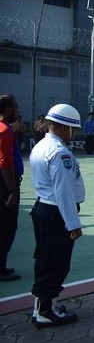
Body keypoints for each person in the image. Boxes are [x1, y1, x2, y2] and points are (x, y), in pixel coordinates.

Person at [29, 104, 85, 327]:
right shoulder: (60, 153)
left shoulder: (41, 145)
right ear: (64, 128)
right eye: (74, 129)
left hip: (43, 208)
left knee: (44, 259)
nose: (75, 133)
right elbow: (64, 193)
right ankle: (45, 312)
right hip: (56, 213)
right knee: (56, 262)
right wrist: (73, 224)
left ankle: (43, 306)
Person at [0, 94, 22, 282]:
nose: (18, 110)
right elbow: (5, 162)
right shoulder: (5, 131)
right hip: (6, 183)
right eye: (15, 107)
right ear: (7, 110)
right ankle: (1, 267)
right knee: (7, 227)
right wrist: (12, 190)